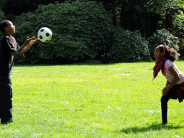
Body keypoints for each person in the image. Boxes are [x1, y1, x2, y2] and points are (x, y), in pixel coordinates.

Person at [0, 20, 38, 124]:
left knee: (5, 95)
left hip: (6, 73)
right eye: (11, 25)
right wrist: (25, 43)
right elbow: (14, 52)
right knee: (6, 96)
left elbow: (20, 52)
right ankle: (7, 120)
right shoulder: (5, 39)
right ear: (6, 28)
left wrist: (28, 45)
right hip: (3, 73)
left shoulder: (12, 39)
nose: (14, 26)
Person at [153, 44, 184, 124]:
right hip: (174, 83)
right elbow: (169, 78)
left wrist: (168, 87)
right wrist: (167, 87)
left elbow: (177, 77)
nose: (155, 53)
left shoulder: (167, 63)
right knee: (164, 99)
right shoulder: (161, 62)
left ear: (162, 53)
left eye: (157, 52)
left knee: (164, 99)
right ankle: (164, 123)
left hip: (182, 83)